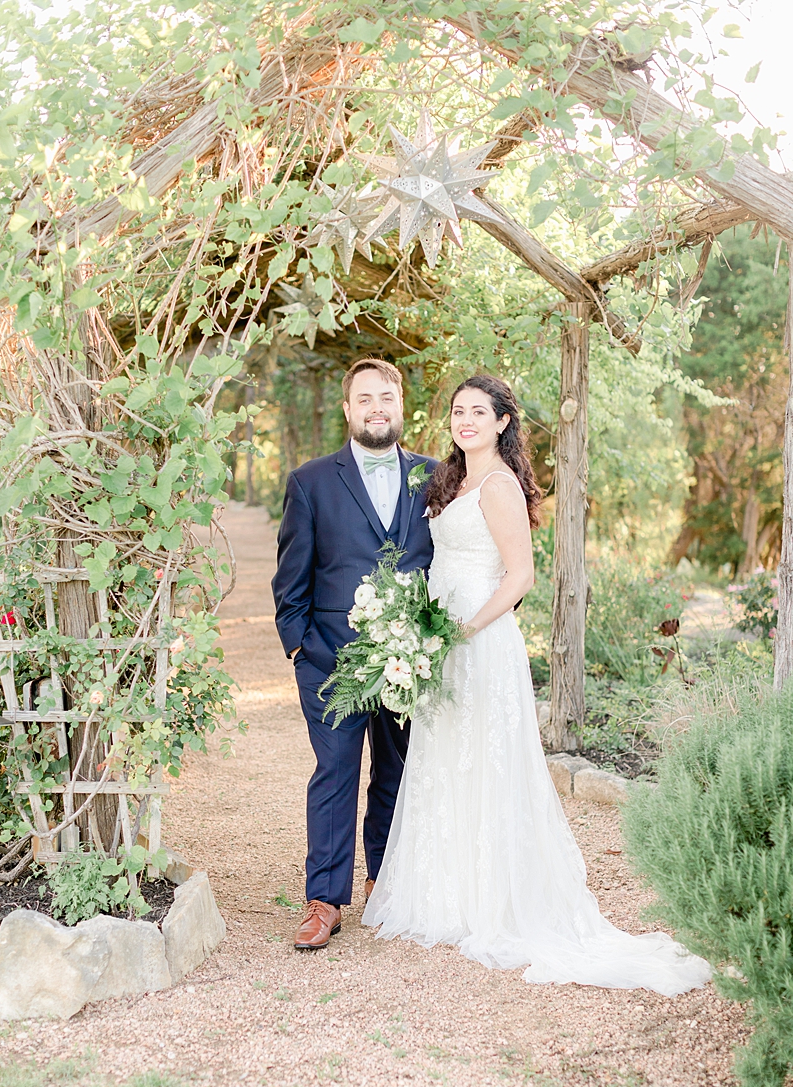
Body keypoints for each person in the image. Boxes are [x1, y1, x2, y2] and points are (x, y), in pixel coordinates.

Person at [363, 374, 711, 996]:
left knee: (489, 764)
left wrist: (463, 628)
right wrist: (422, 630)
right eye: (457, 411)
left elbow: (520, 575)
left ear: (502, 423)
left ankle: (495, 902)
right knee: (448, 759)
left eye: (478, 412)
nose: (465, 420)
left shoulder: (496, 485)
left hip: (479, 639)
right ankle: (450, 895)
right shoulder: (450, 480)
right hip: (439, 636)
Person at [273, 358, 437, 950]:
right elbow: (290, 581)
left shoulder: (436, 477)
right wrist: (300, 648)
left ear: (400, 405)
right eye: (364, 398)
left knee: (398, 775)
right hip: (331, 661)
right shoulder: (311, 481)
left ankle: (386, 883)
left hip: (411, 664)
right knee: (336, 775)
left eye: (386, 398)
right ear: (347, 409)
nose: (376, 408)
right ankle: (324, 900)